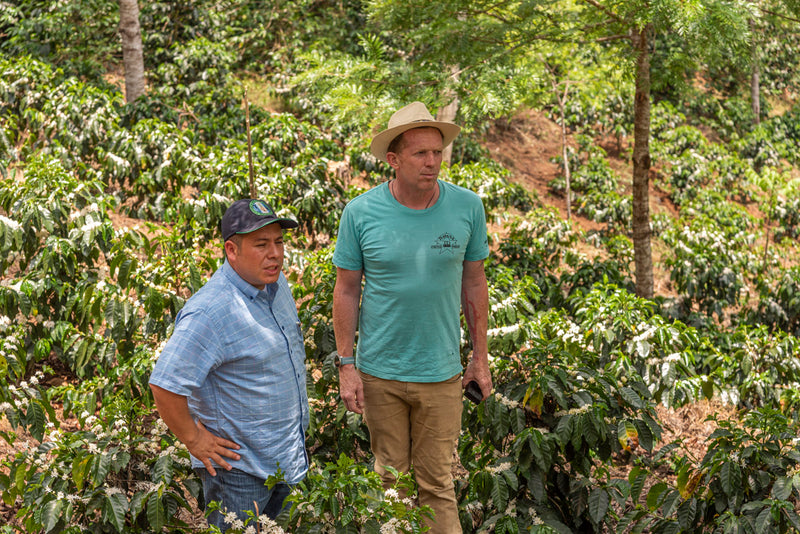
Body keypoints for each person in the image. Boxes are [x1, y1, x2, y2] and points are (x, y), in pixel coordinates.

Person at [332, 101, 492, 533]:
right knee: (390, 483)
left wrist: (480, 357)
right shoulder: (361, 213)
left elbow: (474, 283)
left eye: (438, 152)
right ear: (394, 159)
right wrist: (346, 366)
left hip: (440, 374)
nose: (432, 162)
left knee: (437, 484)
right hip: (379, 373)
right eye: (421, 153)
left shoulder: (467, 208)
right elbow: (346, 290)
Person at [149, 198, 309, 529]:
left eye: (279, 242)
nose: (275, 253)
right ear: (231, 251)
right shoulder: (211, 311)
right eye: (261, 245)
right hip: (240, 473)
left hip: (286, 459)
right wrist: (194, 439)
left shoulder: (276, 288)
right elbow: (165, 385)